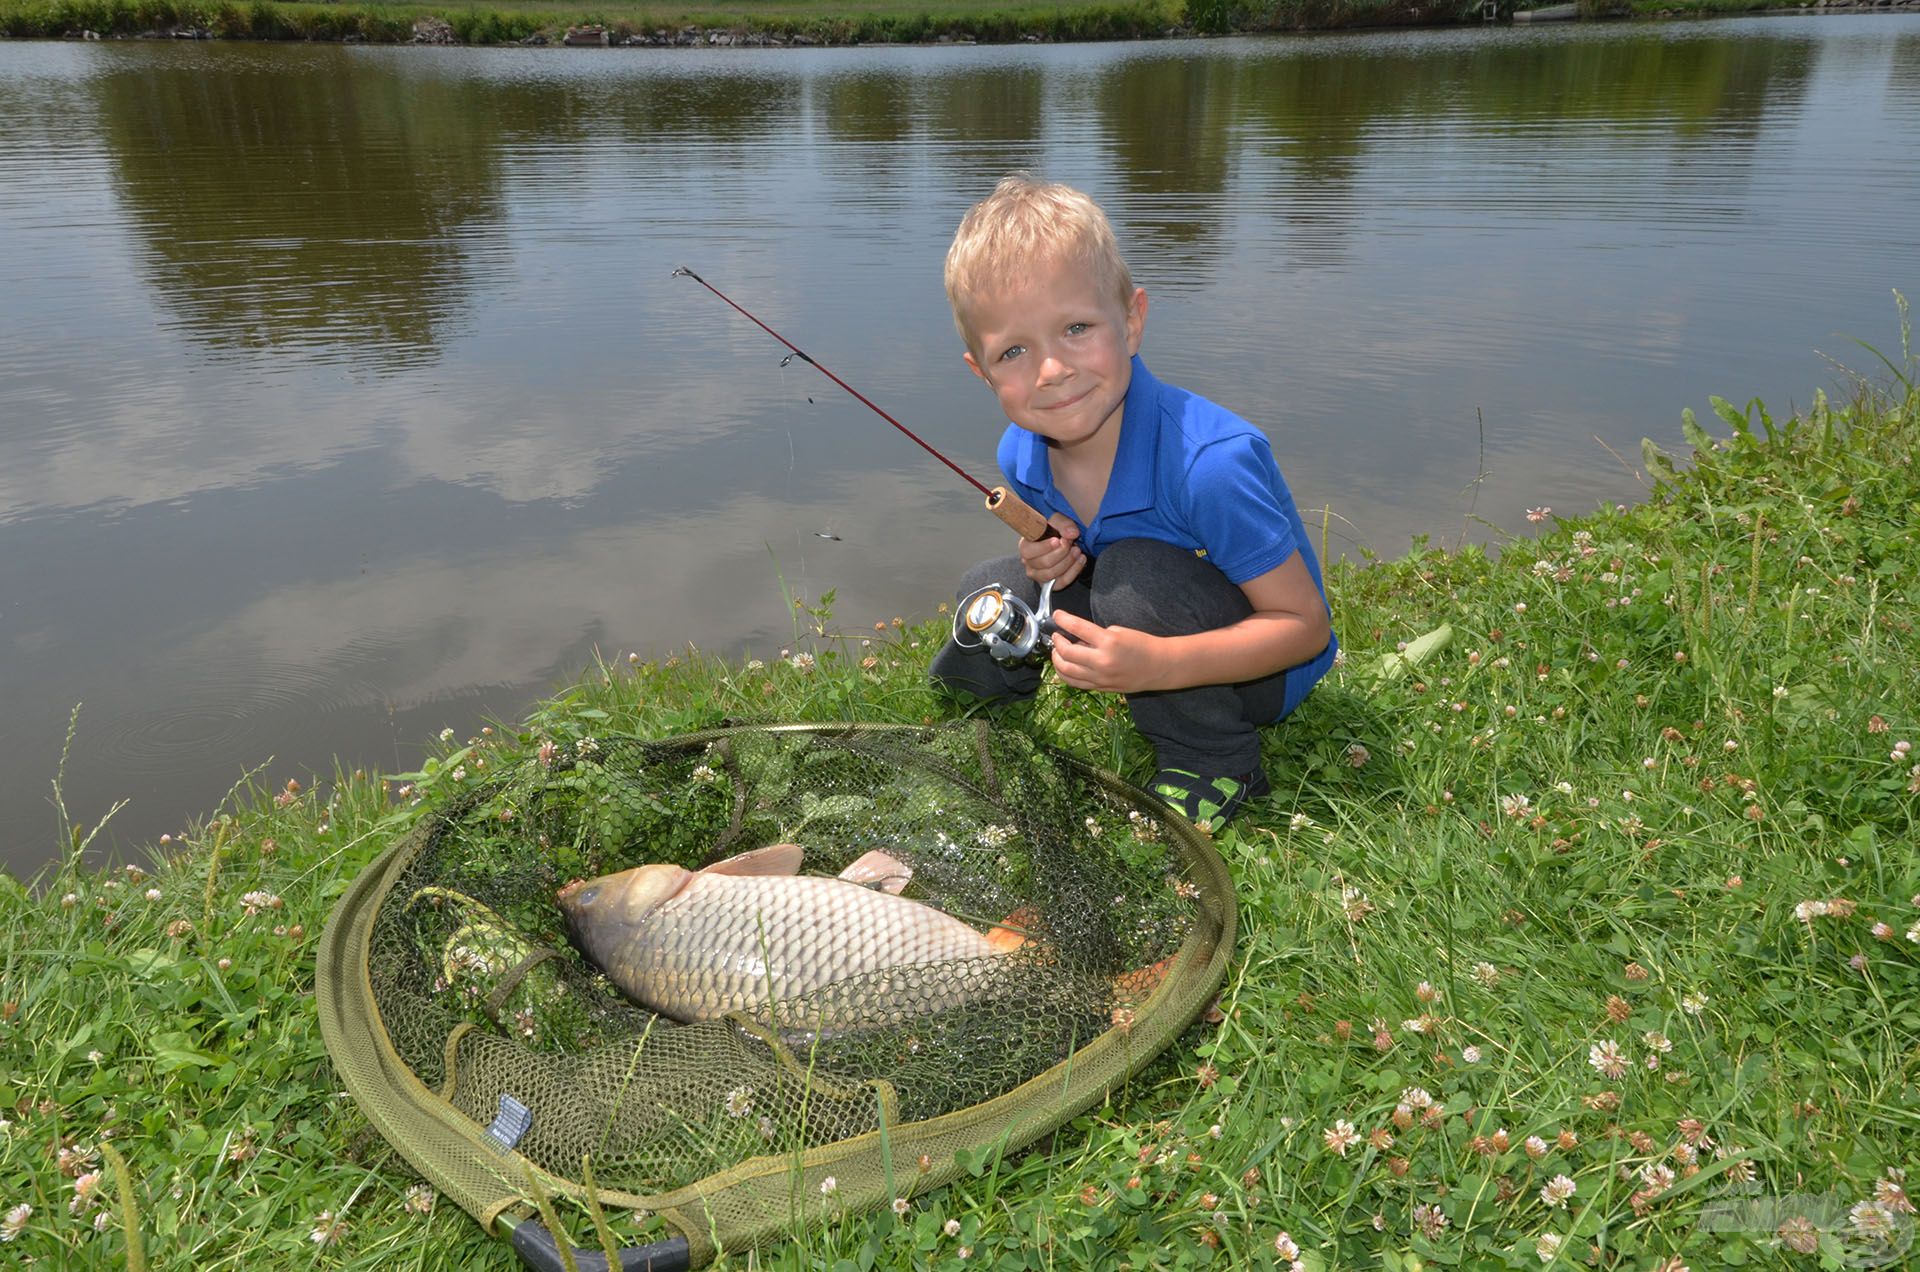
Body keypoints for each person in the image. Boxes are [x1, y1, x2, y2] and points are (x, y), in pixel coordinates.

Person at [929, 174, 1338, 833]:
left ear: (1132, 321)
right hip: (1144, 620)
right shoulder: (1020, 453)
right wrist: (1048, 557)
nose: (1052, 370)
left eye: (1075, 328)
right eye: (1013, 351)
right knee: (994, 586)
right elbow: (1073, 560)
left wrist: (1157, 665)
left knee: (1132, 577)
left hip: (1261, 672)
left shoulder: (1209, 464)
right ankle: (973, 702)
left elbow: (1304, 628)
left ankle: (1217, 763)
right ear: (981, 370)